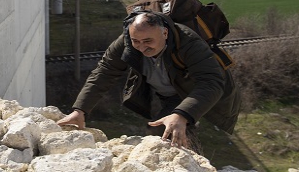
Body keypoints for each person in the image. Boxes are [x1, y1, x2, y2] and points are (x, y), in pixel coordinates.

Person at [56, 11, 240, 151]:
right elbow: (104, 72)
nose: (142, 47)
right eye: (136, 41)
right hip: (169, 94)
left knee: (173, 131)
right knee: (162, 135)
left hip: (195, 91)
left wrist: (183, 114)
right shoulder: (128, 41)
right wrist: (80, 110)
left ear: (165, 33)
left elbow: (212, 82)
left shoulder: (188, 42)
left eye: (148, 41)